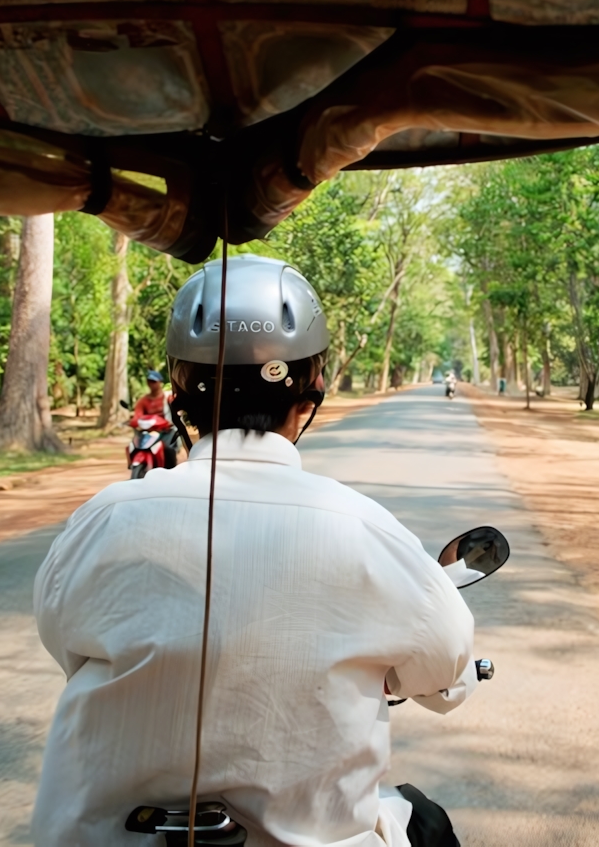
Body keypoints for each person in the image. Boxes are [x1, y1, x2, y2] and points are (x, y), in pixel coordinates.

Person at [33, 254, 475, 847]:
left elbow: (65, 644)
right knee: (425, 821)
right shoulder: (364, 528)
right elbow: (446, 673)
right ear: (310, 392)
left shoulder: (101, 520)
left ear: (180, 396)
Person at [131, 369, 179, 469]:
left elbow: (177, 411)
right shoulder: (143, 400)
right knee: (134, 446)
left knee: (169, 451)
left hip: (167, 431)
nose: (151, 384)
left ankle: (170, 471)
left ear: (160, 382)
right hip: (148, 432)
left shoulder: (168, 397)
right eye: (149, 381)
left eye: (154, 381)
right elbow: (137, 416)